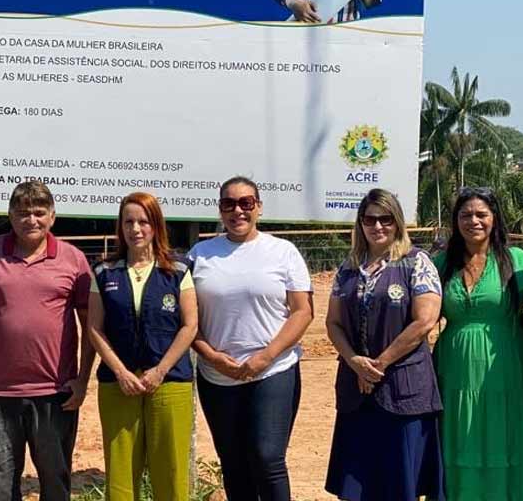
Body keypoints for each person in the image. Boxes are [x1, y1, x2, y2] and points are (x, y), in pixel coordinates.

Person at [0, 180, 96, 501]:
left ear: (52, 216)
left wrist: (82, 379)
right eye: (23, 213)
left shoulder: (73, 259)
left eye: (39, 212)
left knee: (55, 481)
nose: (31, 220)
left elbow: (89, 323)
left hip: (56, 392)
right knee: (0, 483)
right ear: (10, 215)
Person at [188, 176, 313, 501]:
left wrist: (266, 357)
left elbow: (302, 312)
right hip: (217, 375)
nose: (238, 211)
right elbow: (187, 319)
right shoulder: (199, 255)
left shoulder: (283, 252)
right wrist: (212, 356)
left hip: (273, 371)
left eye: (246, 203)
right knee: (233, 463)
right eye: (229, 204)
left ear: (258, 207)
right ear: (220, 210)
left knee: (267, 457)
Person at [323, 188, 444, 501]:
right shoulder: (348, 268)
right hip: (355, 391)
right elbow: (333, 323)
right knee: (358, 484)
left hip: (404, 392)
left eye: (385, 219)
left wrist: (378, 364)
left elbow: (424, 321)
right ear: (360, 224)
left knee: (400, 483)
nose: (377, 226)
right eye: (370, 219)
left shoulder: (417, 263)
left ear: (398, 222)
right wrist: (355, 362)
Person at [432, 187, 523, 500]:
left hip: (509, 367)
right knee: (459, 439)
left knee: (508, 437)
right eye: (465, 215)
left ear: (494, 218)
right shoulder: (441, 264)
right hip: (454, 371)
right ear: (455, 221)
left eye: (481, 214)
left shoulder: (518, 261)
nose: (474, 221)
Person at [87, 192, 198, 501]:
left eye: (143, 221)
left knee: (172, 474)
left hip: (170, 383)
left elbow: (190, 326)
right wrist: (121, 372)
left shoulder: (177, 271)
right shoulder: (104, 272)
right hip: (118, 386)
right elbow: (94, 328)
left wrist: (161, 370)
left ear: (156, 225)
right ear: (120, 227)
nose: (135, 229)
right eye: (128, 222)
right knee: (121, 479)